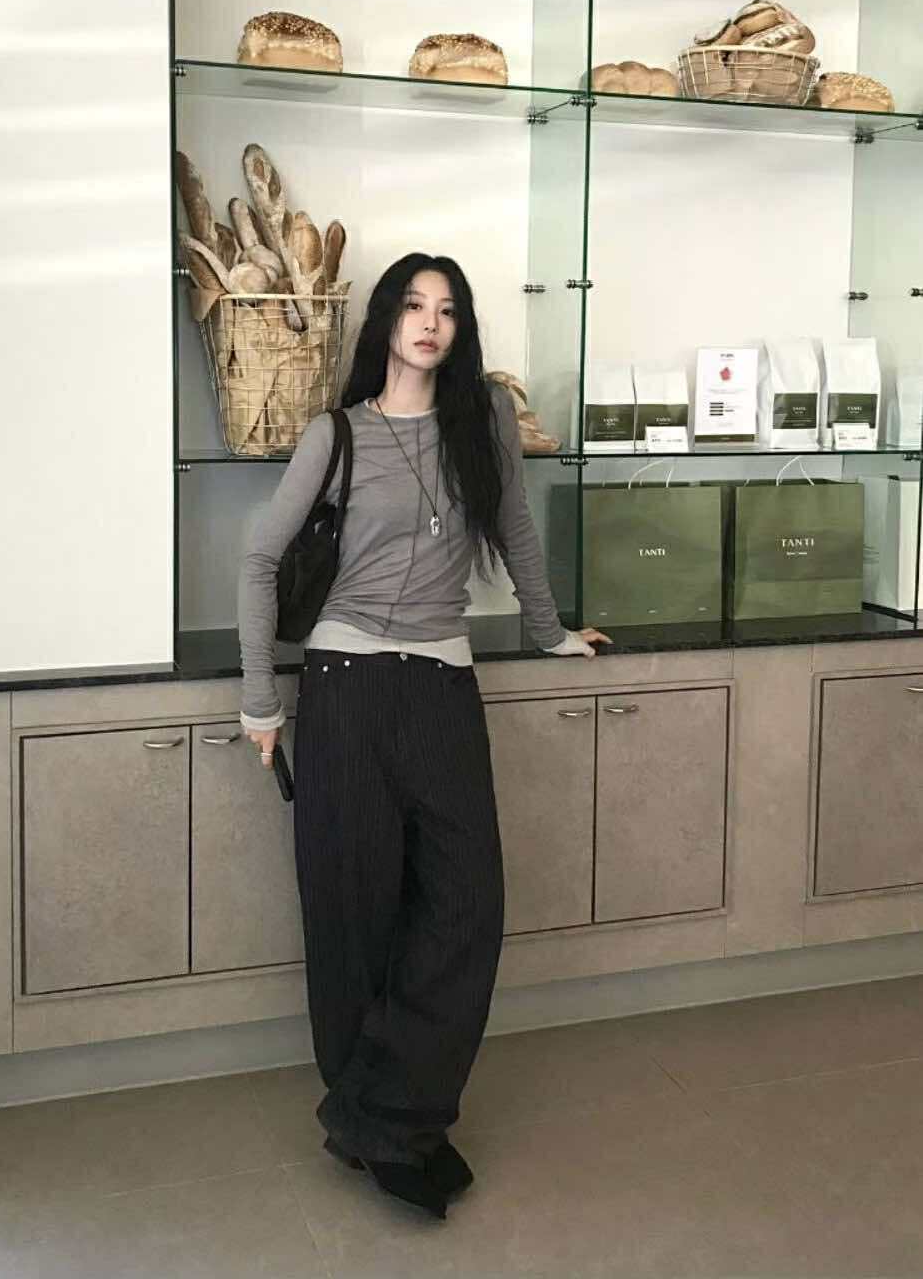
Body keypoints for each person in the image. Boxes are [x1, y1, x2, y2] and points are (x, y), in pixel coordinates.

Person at [238, 253, 610, 1219]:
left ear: (461, 328)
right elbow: (259, 559)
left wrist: (550, 633)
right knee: (352, 912)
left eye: (447, 309)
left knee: (467, 905)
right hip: (346, 689)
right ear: (387, 321)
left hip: (444, 687)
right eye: (413, 305)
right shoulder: (338, 434)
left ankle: (383, 1114)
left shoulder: (484, 422)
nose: (430, 322)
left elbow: (517, 534)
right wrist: (260, 704)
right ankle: (381, 1123)